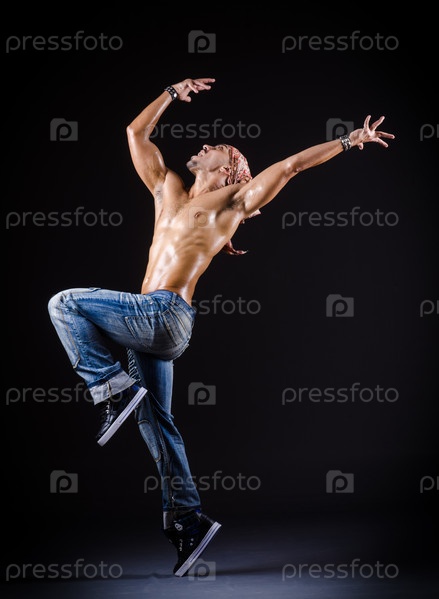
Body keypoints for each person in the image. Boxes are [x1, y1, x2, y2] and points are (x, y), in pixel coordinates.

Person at [48, 77, 395, 577]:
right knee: (157, 424)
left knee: (64, 303)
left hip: (166, 314)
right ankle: (188, 521)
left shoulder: (232, 202)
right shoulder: (166, 190)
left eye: (218, 146)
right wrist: (171, 93)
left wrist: (347, 140)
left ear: (230, 168)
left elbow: (291, 166)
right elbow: (135, 133)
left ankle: (109, 389)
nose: (206, 144)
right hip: (148, 324)